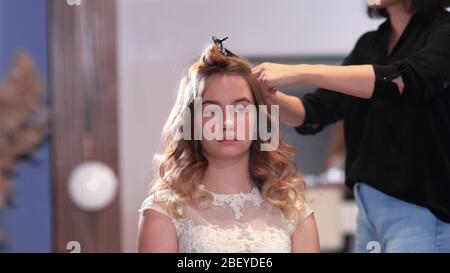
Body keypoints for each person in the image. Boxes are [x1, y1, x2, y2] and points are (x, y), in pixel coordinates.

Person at [252, 0, 450, 252]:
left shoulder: (444, 32)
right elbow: (312, 112)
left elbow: (408, 81)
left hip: (421, 211)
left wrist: (301, 72)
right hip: (367, 209)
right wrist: (266, 95)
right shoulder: (370, 44)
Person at [137, 40, 319, 253]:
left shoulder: (293, 212)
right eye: (211, 111)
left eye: (241, 109)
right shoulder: (165, 211)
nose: (227, 123)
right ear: (191, 121)